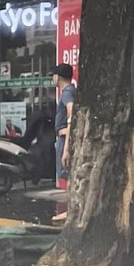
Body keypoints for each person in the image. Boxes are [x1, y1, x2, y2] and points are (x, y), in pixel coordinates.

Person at [52, 63, 76, 223]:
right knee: (69, 176)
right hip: (62, 137)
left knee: (69, 175)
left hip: (64, 139)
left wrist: (66, 145)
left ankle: (71, 211)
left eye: (52, 75)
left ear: (58, 77)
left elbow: (71, 112)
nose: (52, 78)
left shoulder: (67, 93)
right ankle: (71, 210)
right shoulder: (70, 91)